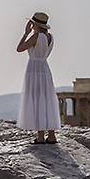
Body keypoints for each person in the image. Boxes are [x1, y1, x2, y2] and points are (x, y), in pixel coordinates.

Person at [16, 12, 61, 144]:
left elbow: (19, 48)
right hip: (45, 69)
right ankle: (51, 135)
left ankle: (40, 136)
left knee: (36, 99)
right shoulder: (50, 37)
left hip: (34, 69)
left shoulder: (36, 36)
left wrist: (25, 33)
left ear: (35, 24)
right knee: (46, 99)